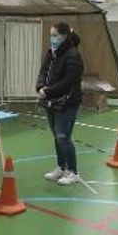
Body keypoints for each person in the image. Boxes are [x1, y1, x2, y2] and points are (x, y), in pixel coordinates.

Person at [37, 23, 84, 186]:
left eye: (55, 35)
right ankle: (61, 167)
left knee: (63, 137)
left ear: (64, 36)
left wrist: (48, 91)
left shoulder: (73, 55)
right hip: (51, 102)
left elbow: (69, 81)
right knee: (57, 138)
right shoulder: (51, 52)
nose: (52, 38)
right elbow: (43, 71)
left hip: (67, 103)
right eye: (51, 35)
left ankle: (73, 172)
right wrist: (40, 86)